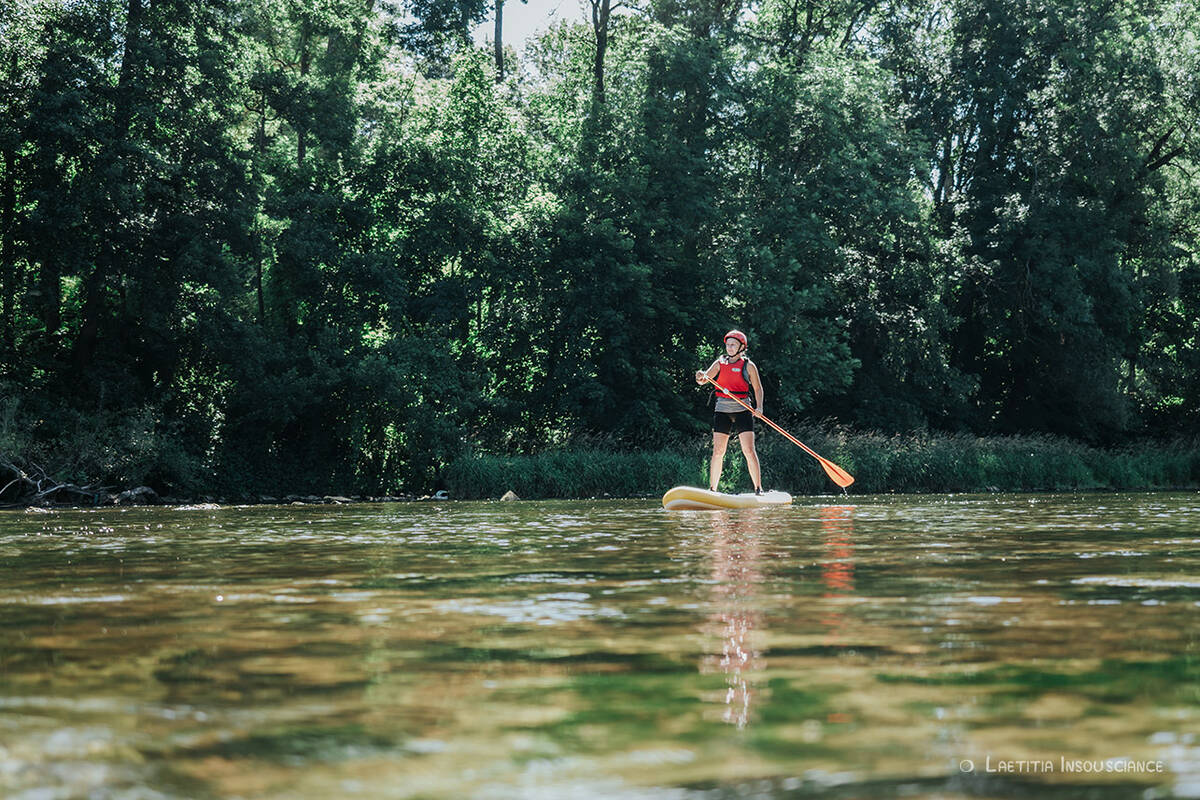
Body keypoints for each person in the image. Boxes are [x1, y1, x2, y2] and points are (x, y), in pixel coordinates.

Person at [694, 330, 764, 494]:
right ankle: (712, 489)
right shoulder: (720, 362)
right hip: (722, 410)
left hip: (742, 409)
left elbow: (758, 388)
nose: (729, 347)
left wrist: (759, 407)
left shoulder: (749, 365)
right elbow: (703, 380)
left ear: (741, 347)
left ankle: (758, 488)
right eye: (728, 344)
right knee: (718, 451)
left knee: (748, 450)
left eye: (733, 345)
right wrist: (699, 376)